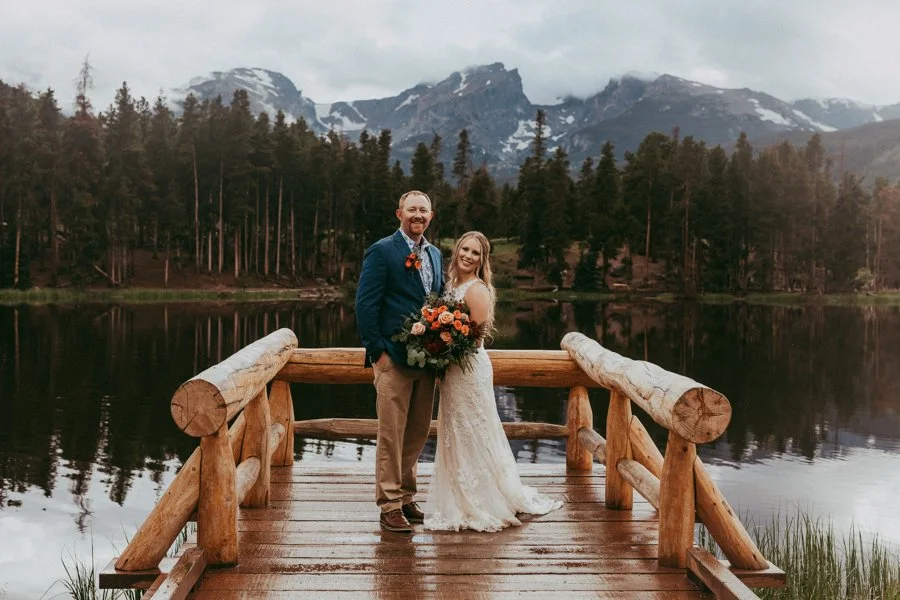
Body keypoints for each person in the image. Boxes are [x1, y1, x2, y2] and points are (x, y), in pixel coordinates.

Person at [424, 231, 564, 532]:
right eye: (465, 249)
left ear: (482, 260)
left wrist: (443, 344)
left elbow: (474, 339)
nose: (468, 256)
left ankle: (483, 500)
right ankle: (459, 493)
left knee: (475, 428)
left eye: (476, 253)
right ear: (456, 250)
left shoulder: (477, 290)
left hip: (469, 369)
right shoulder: (451, 285)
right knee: (455, 429)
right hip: (452, 372)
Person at [355, 190, 444, 533]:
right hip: (393, 358)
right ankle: (389, 504)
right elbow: (365, 305)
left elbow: (437, 301)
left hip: (427, 361)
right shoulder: (382, 251)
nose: (417, 215)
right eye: (412, 209)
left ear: (431, 216)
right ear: (399, 214)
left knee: (417, 433)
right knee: (391, 434)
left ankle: (407, 496)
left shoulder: (435, 254)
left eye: (423, 210)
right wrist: (377, 352)